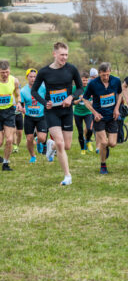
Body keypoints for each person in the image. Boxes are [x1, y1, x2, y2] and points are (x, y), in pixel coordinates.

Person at [31, 41, 83, 185]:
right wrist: (44, 102)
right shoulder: (44, 72)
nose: (64, 57)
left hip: (66, 111)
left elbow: (80, 88)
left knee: (66, 145)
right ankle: (67, 176)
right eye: (62, 55)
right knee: (60, 143)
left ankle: (50, 146)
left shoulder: (72, 69)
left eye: (66, 55)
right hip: (51, 111)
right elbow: (34, 91)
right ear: (54, 54)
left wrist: (71, 97)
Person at [83, 62, 122, 174]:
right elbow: (85, 100)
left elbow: (120, 94)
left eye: (107, 75)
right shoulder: (93, 84)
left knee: (112, 143)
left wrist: (117, 108)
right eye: (103, 75)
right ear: (99, 73)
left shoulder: (116, 81)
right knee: (103, 143)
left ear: (110, 72)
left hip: (112, 116)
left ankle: (105, 149)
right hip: (99, 117)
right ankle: (103, 165)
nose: (105, 77)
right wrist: (94, 113)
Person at [20, 68, 48, 163]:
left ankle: (38, 141)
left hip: (41, 116)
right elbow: (21, 103)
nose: (33, 79)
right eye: (30, 77)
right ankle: (33, 156)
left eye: (35, 77)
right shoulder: (23, 90)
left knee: (42, 138)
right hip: (29, 117)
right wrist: (20, 107)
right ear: (27, 77)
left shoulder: (43, 88)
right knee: (29, 138)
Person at [0, 60, 21, 171]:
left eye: (7, 72)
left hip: (9, 111)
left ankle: (5, 163)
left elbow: (17, 95)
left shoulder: (14, 81)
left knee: (9, 140)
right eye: (2, 72)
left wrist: (18, 103)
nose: (5, 75)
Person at [73, 70, 94, 155]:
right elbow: (73, 102)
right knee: (80, 132)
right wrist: (79, 99)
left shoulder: (90, 87)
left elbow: (93, 99)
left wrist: (90, 102)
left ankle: (88, 141)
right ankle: (82, 148)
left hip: (88, 112)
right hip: (77, 113)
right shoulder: (75, 88)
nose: (85, 82)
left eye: (86, 80)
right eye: (83, 80)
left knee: (90, 129)